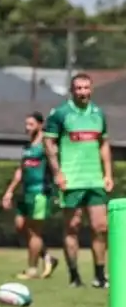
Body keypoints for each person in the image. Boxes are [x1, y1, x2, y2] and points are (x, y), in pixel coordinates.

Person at [43, 73, 113, 288]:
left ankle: (100, 276)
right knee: (72, 227)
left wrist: (108, 173)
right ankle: (74, 276)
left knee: (100, 227)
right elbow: (48, 143)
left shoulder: (98, 113)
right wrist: (58, 173)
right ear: (71, 91)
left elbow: (103, 144)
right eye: (79, 88)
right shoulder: (61, 114)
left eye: (86, 88)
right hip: (71, 180)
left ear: (91, 89)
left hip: (94, 180)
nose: (83, 92)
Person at [2, 112, 60, 280]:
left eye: (31, 124)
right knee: (21, 226)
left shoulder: (46, 145)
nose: (27, 127)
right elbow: (21, 170)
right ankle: (48, 257)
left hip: (40, 193)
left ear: (40, 125)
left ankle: (32, 269)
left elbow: (55, 162)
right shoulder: (27, 147)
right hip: (26, 193)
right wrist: (10, 191)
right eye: (26, 124)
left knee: (34, 232)